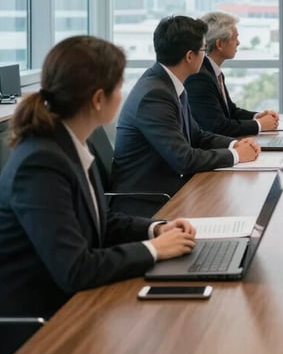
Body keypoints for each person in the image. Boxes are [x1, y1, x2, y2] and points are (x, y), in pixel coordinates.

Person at [0, 36, 197, 354]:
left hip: (73, 305)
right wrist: (154, 251)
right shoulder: (41, 163)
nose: (123, 94)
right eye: (119, 86)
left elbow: (98, 220)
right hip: (40, 331)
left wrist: (155, 230)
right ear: (99, 99)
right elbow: (76, 269)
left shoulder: (67, 144)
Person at [112, 16, 261, 216]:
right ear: (189, 56)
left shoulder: (168, 84)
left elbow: (197, 136)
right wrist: (236, 156)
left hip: (171, 189)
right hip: (149, 202)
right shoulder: (154, 95)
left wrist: (235, 145)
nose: (205, 56)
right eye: (202, 50)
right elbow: (184, 159)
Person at [185, 11, 279, 137]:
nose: (238, 43)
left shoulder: (213, 71)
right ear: (219, 44)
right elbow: (217, 126)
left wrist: (257, 116)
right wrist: (260, 124)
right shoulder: (200, 78)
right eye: (235, 38)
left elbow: (231, 111)